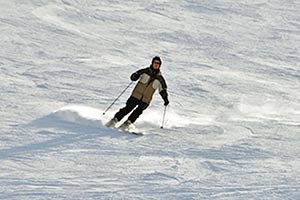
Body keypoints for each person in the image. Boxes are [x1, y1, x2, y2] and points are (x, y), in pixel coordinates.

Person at [106, 56, 169, 130]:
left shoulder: (160, 79)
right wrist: (134, 76)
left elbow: (163, 90)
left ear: (160, 65)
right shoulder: (145, 71)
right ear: (152, 63)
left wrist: (165, 99)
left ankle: (127, 124)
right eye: (155, 62)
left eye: (158, 63)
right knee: (128, 108)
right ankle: (114, 120)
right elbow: (135, 75)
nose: (156, 64)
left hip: (146, 100)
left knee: (137, 112)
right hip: (136, 95)